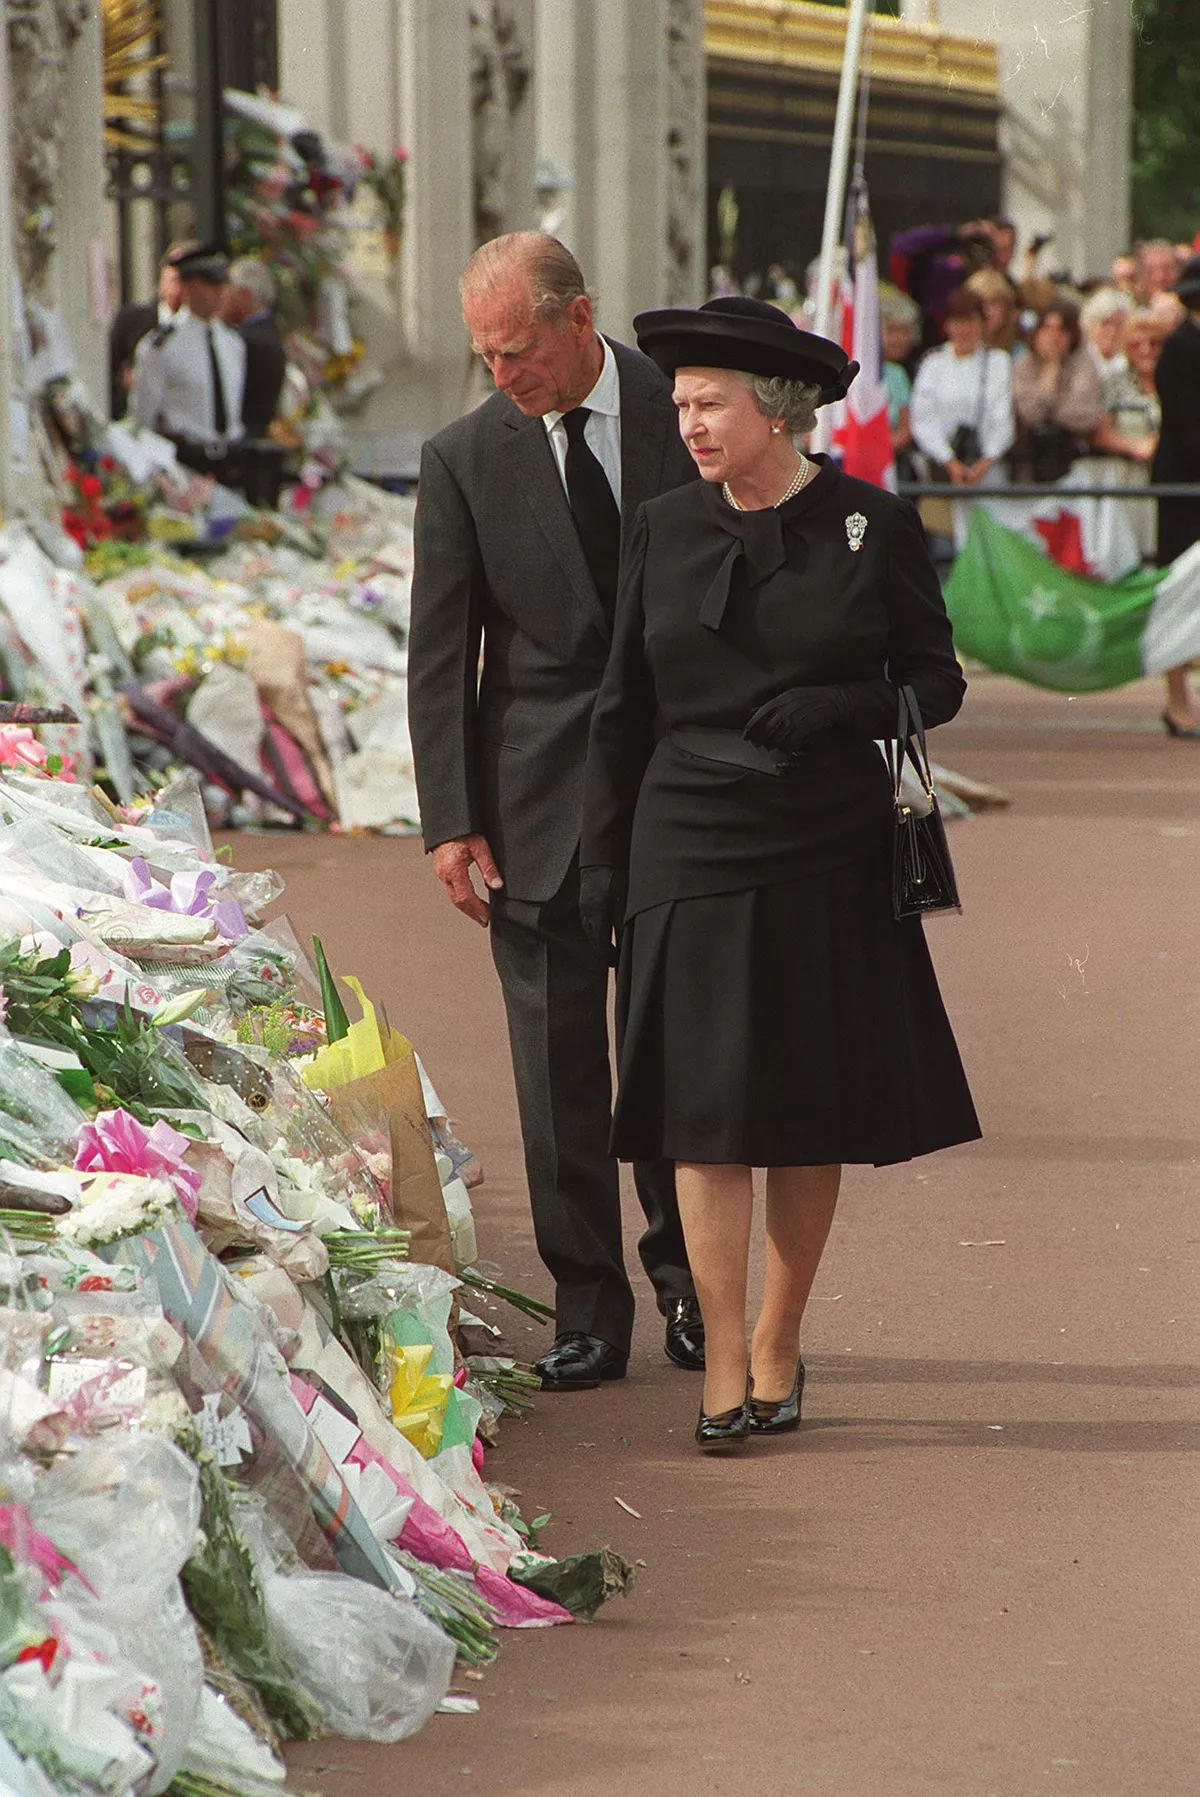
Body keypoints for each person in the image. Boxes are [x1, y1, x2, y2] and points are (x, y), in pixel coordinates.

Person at [579, 297, 979, 1451]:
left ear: (778, 412)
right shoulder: (660, 524)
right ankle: (714, 1353)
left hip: (827, 840)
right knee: (702, 1119)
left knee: (803, 1113)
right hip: (688, 834)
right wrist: (605, 863)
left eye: (710, 406)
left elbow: (934, 685)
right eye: (683, 405)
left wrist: (845, 706)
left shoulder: (874, 524)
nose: (689, 424)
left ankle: (777, 1343)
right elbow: (622, 703)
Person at [407, 231, 702, 1391]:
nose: (502, 378)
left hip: (684, 789)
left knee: (677, 1054)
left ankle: (692, 1285)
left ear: (582, 320)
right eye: (485, 358)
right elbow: (441, 652)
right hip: (533, 801)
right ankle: (589, 1306)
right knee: (555, 1064)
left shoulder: (691, 414)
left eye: (518, 352)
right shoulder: (465, 457)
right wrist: (448, 820)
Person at [129, 244, 246, 478]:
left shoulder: (233, 343)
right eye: (211, 284)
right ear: (189, 286)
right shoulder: (161, 346)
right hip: (185, 465)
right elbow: (142, 421)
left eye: (223, 284)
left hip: (231, 465)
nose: (220, 292)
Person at [909, 288, 1014, 545]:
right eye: (957, 322)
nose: (964, 330)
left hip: (988, 474)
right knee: (947, 549)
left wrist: (986, 460)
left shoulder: (998, 361)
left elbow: (1003, 416)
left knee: (990, 545)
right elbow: (923, 419)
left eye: (970, 321)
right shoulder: (933, 363)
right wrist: (948, 460)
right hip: (945, 475)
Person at [1152, 255, 1200, 734]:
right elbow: (1189, 430)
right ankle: (1177, 699)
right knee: (1182, 592)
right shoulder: (1182, 348)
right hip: (1186, 488)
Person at [1010, 300, 1104, 483]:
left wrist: (1050, 411)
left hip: (1073, 462)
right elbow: (1030, 414)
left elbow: (1085, 416)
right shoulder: (1023, 365)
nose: (1053, 337)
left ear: (1072, 336)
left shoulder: (1084, 363)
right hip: (1029, 463)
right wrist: (1050, 372)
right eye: (1047, 329)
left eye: (1061, 330)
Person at [108, 249, 186, 420]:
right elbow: (112, 374)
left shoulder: (206, 330)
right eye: (173, 274)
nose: (178, 284)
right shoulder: (131, 320)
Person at [221, 257, 286, 439]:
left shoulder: (248, 341)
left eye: (228, 291)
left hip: (245, 442)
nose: (222, 297)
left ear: (245, 295)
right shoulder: (269, 332)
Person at [1080, 287, 1134, 381]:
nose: (1112, 331)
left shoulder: (1131, 364)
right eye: (1105, 323)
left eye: (1119, 325)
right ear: (1091, 324)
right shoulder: (1078, 361)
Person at [964, 267, 1019, 352]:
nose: (987, 311)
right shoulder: (951, 352)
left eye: (994, 303)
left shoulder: (1019, 353)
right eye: (981, 303)